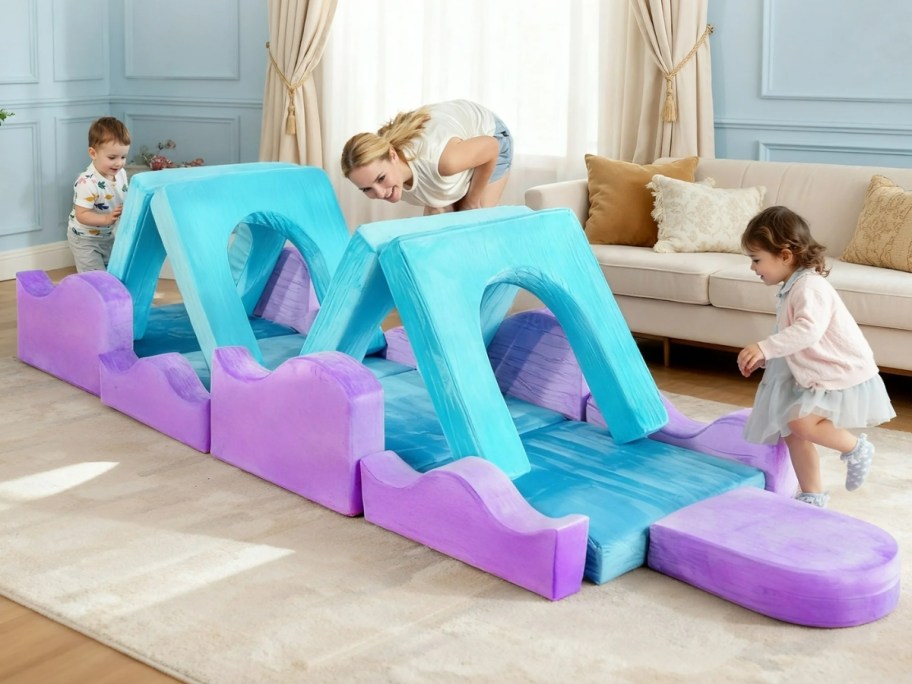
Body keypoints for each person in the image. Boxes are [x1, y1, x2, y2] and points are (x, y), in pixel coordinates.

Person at [737, 206, 895, 508]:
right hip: (814, 370)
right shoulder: (792, 286)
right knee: (791, 429)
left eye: (757, 260)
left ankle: (856, 448)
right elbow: (796, 340)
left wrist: (765, 346)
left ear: (785, 255)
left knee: (801, 424)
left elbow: (808, 330)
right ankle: (812, 494)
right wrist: (768, 358)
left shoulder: (810, 286)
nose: (753, 268)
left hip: (837, 370)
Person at [340, 99, 512, 215]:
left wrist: (471, 202)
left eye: (381, 178)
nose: (380, 192)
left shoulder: (442, 162)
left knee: (472, 222)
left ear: (393, 155)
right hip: (448, 143)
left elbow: (491, 147)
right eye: (366, 189)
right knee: (437, 221)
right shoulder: (392, 176)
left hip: (489, 136)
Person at [67, 117, 131, 272]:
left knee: (113, 274)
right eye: (112, 157)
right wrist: (107, 219)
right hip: (85, 239)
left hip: (108, 236)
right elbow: (82, 214)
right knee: (95, 279)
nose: (119, 163)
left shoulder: (121, 173)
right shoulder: (87, 183)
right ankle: (89, 295)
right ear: (93, 153)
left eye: (123, 157)